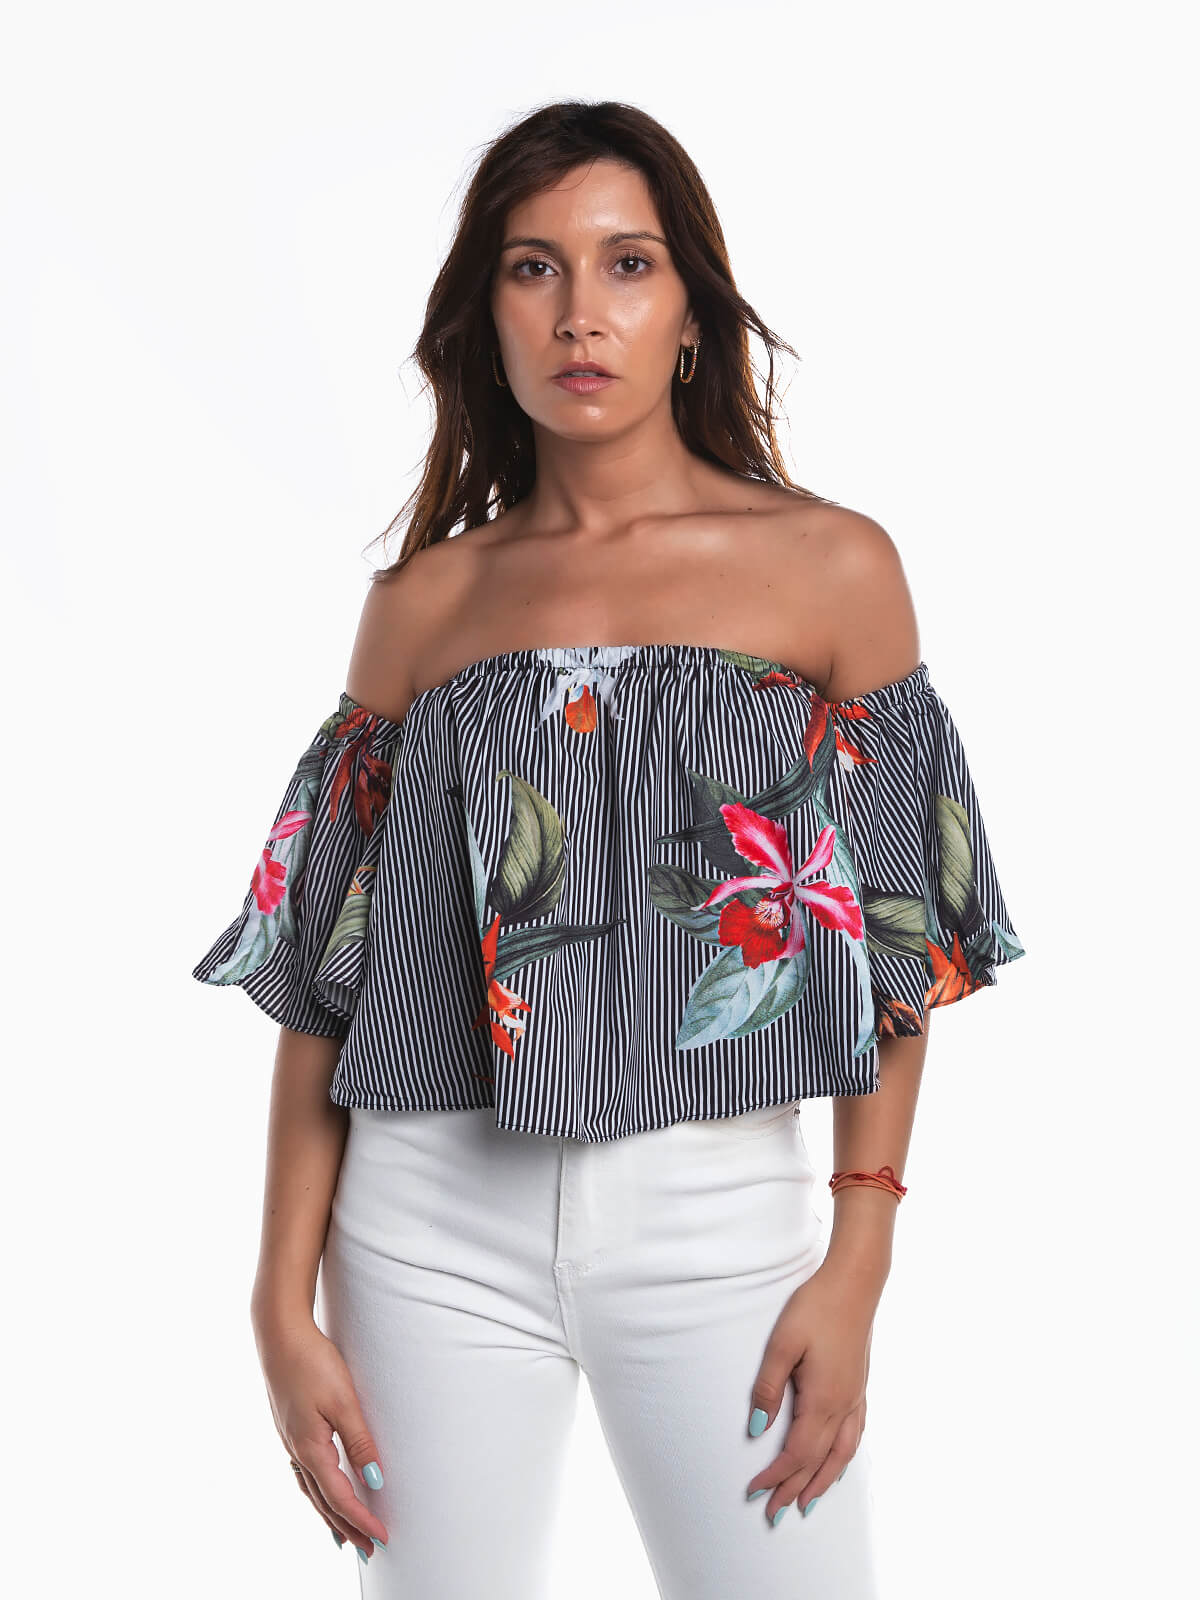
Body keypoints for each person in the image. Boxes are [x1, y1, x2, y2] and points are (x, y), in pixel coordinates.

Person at [193, 100, 1026, 1599]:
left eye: (628, 264)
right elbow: (324, 987)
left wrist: (860, 1258)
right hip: (425, 1222)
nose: (582, 312)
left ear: (692, 313)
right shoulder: (423, 607)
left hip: (720, 1214)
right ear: (487, 318)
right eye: (535, 268)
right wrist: (278, 1301)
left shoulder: (831, 569)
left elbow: (905, 951)